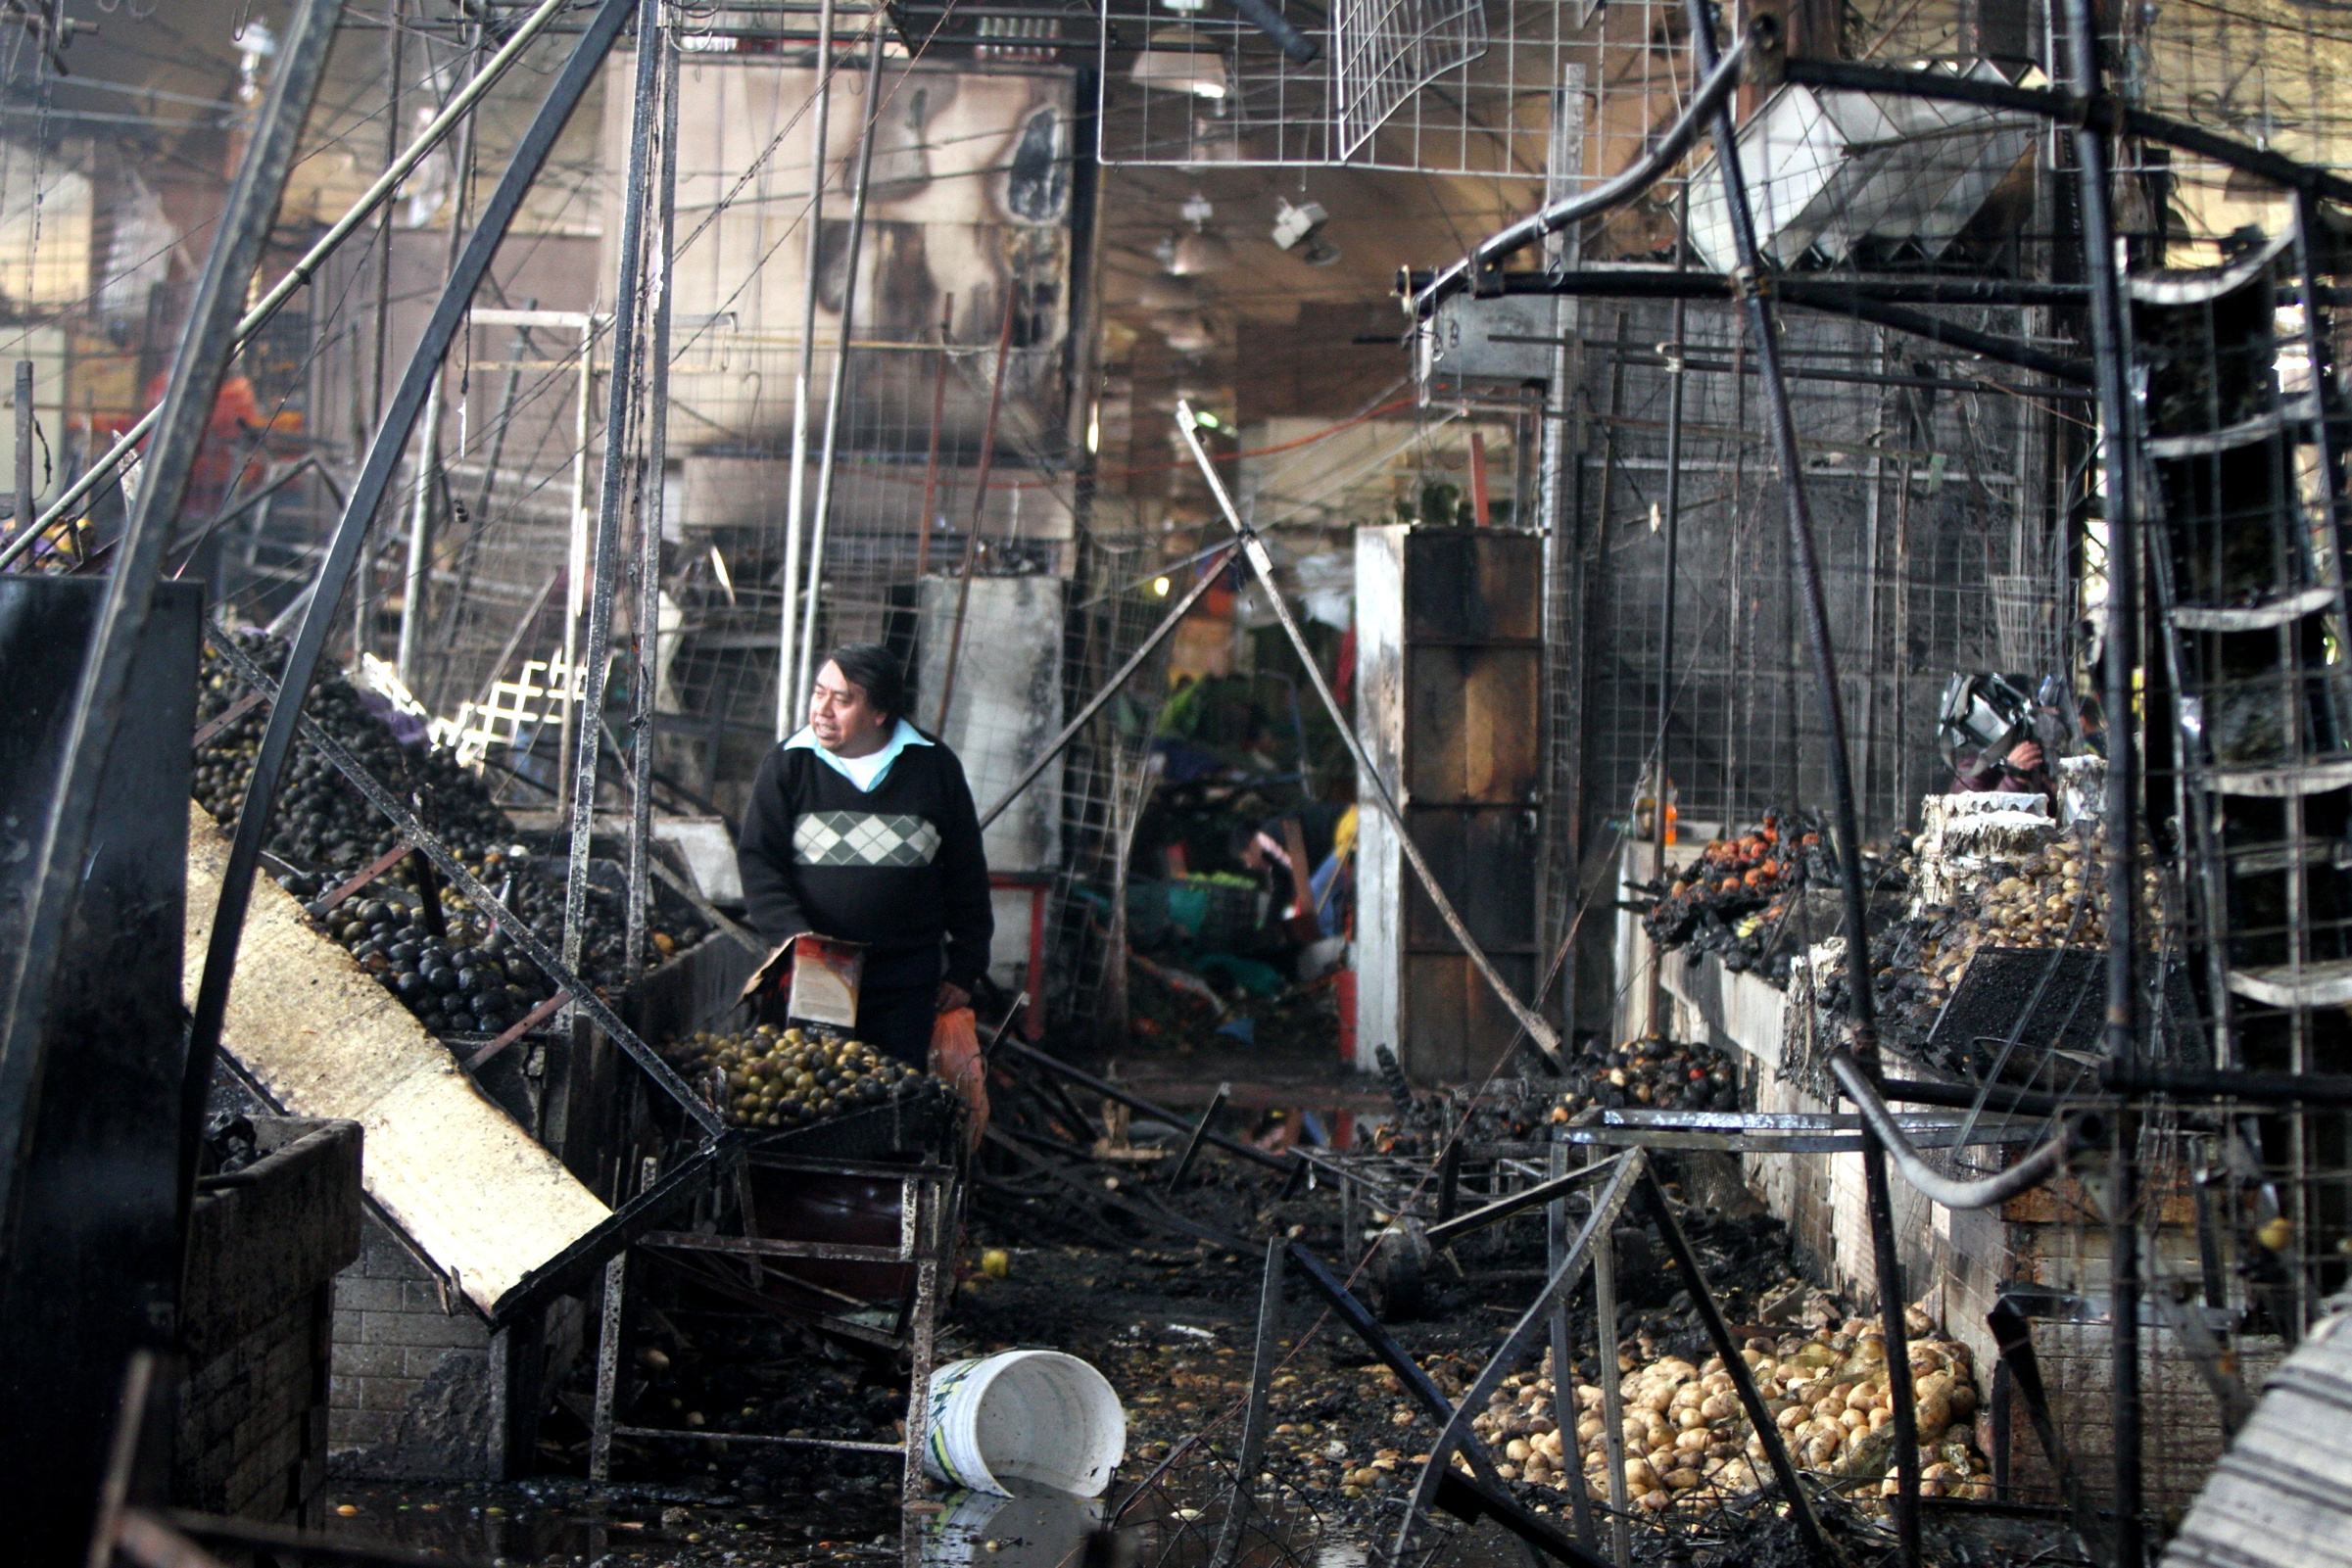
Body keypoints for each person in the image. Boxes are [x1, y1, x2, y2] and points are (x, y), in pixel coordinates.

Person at [737, 643, 992, 1067]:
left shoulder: (934, 768)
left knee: (892, 1093)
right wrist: (795, 941)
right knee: (811, 1093)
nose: (823, 710)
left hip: (906, 980)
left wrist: (966, 965)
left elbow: (965, 872)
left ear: (880, 713)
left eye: (842, 700)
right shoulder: (789, 764)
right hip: (813, 975)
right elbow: (759, 861)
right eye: (819, 693)